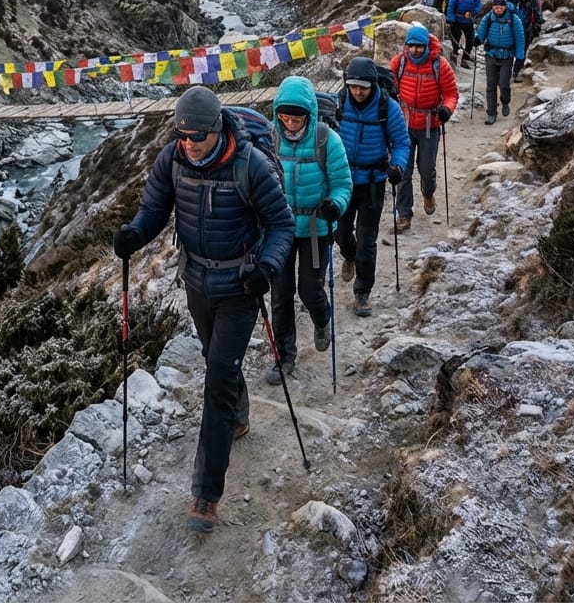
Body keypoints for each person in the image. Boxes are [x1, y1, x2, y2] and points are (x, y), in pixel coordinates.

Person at [113, 85, 294, 535]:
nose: (190, 144)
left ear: (216, 129)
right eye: (182, 135)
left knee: (216, 380)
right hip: (195, 281)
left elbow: (281, 224)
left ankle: (205, 495)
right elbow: (154, 210)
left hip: (240, 287)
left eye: (197, 136)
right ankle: (240, 415)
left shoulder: (250, 165)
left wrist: (267, 268)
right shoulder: (172, 159)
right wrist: (135, 234)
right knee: (217, 361)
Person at [266, 75, 352, 377]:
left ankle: (322, 318)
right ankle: (284, 356)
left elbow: (342, 183)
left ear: (309, 114)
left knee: (309, 289)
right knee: (280, 294)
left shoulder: (327, 140)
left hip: (316, 228)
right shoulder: (269, 139)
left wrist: (335, 204)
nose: (290, 124)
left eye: (297, 118)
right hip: (279, 228)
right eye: (285, 118)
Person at [335, 57, 411, 317]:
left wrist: (397, 166)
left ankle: (362, 292)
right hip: (342, 181)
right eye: (353, 86)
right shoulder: (339, 102)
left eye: (363, 88)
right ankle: (349, 255)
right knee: (340, 233)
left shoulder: (387, 107)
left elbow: (401, 142)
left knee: (367, 240)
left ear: (373, 85)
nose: (357, 92)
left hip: (372, 182)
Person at [390, 24, 459, 231]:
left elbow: (451, 93)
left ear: (426, 46)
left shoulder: (440, 65)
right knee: (403, 170)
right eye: (411, 46)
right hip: (403, 124)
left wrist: (447, 109)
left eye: (419, 46)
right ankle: (404, 213)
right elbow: (388, 85)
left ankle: (428, 193)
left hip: (430, 124)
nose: (415, 50)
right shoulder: (399, 62)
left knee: (427, 170)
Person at [475, 0, 526, 125]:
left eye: (501, 7)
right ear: (492, 7)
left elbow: (520, 39)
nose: (498, 9)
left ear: (505, 6)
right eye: (496, 7)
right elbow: (481, 32)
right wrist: (477, 40)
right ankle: (491, 113)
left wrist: (520, 58)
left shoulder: (514, 19)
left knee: (504, 84)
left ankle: (505, 101)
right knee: (491, 85)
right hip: (491, 54)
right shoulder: (488, 18)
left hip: (507, 57)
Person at [506, 0, 543, 81]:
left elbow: (537, 12)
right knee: (508, 50)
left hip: (525, 29)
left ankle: (516, 72)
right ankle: (506, 72)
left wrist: (537, 26)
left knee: (521, 52)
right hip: (509, 28)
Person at [446, 0, 483, 68]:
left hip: (468, 21)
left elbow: (479, 5)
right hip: (457, 20)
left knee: (470, 41)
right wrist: (451, 19)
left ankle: (465, 59)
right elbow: (451, 7)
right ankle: (454, 56)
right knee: (455, 40)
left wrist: (472, 12)